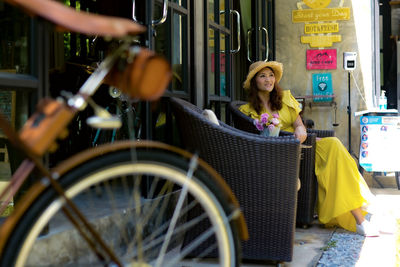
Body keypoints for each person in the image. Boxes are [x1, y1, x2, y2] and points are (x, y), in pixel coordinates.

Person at [239, 61, 379, 236]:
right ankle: (360, 219)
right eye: (262, 76)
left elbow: (299, 125)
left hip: (303, 144)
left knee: (334, 146)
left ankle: (359, 217)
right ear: (254, 82)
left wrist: (302, 132)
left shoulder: (284, 99)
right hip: (280, 152)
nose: (268, 80)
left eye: (271, 75)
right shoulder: (248, 111)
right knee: (336, 159)